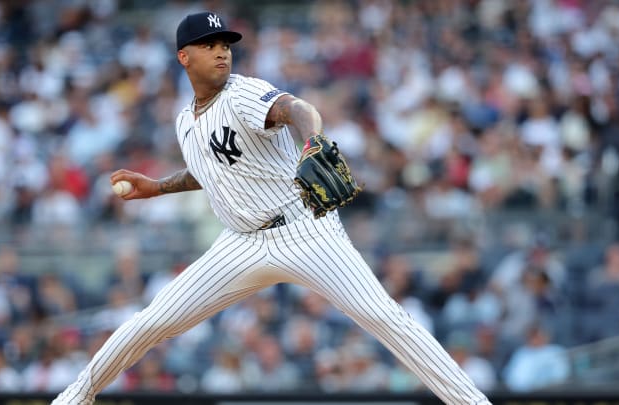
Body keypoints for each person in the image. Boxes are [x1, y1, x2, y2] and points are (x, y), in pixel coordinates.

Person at [52, 11, 491, 404]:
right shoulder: (184, 118)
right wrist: (159, 188)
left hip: (304, 231)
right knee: (153, 320)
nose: (222, 53)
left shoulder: (243, 95)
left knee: (383, 316)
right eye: (209, 46)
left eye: (225, 45)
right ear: (184, 57)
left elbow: (297, 108)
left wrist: (312, 139)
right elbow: (212, 170)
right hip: (239, 244)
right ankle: (75, 396)